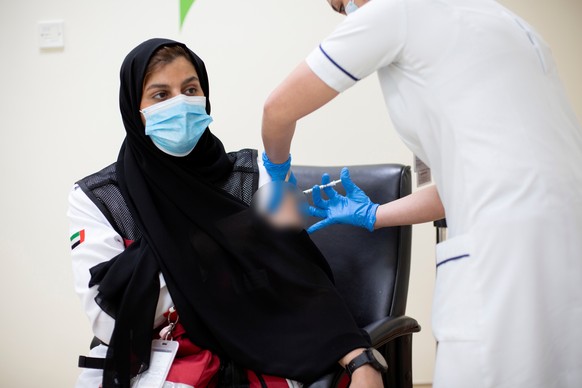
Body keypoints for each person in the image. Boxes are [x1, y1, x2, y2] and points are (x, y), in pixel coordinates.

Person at [261, 1, 582, 387]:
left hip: (504, 246)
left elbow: (277, 110)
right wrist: (373, 215)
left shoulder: (390, 12)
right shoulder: (499, 17)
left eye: (342, 6)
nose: (346, 15)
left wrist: (278, 176)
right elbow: (456, 188)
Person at [68, 38, 387, 388]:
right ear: (134, 108)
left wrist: (359, 357)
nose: (181, 104)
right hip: (158, 363)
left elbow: (297, 281)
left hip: (259, 346)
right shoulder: (100, 198)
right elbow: (108, 319)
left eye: (190, 89)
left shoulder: (250, 175)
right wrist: (216, 247)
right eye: (161, 95)